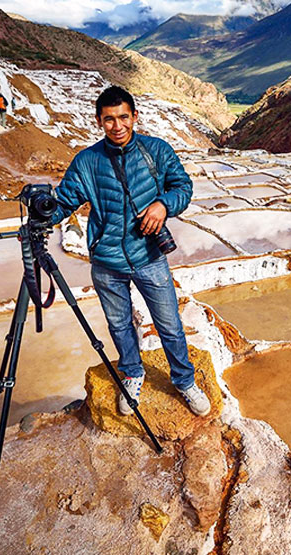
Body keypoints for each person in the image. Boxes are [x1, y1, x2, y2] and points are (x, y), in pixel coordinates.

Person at [50, 86, 210, 416]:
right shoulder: (88, 162)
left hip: (148, 256)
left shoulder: (156, 151)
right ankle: (133, 374)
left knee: (168, 324)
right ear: (99, 121)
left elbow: (183, 187)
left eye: (123, 117)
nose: (117, 125)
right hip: (106, 261)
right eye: (109, 119)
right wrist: (38, 217)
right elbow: (64, 201)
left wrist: (163, 206)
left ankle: (184, 381)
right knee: (119, 325)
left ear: (135, 117)